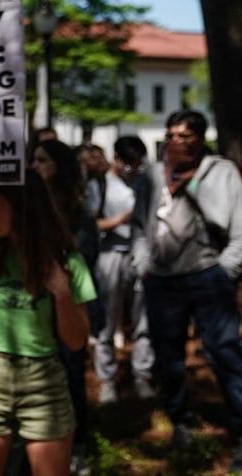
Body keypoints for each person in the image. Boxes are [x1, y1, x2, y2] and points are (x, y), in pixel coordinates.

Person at [0, 169, 95, 476]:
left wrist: (62, 292)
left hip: (44, 380)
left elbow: (77, 341)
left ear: (22, 206)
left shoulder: (65, 259)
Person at [131, 110, 242, 470]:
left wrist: (225, 270)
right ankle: (180, 421)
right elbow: (139, 226)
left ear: (199, 138)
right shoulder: (152, 175)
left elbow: (238, 226)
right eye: (171, 135)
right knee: (168, 356)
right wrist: (143, 266)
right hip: (162, 280)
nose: (176, 142)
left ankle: (240, 429)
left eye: (184, 136)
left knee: (224, 352)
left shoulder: (221, 172)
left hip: (208, 274)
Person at [30, 139, 97, 475]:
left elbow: (82, 262)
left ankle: (77, 447)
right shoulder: (28, 208)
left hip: (65, 304)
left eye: (42, 160)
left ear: (60, 166)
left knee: (71, 374)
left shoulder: (78, 212)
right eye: (34, 160)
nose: (35, 166)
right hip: (32, 312)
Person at [93, 136, 155, 404]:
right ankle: (107, 380)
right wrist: (122, 219)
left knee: (144, 318)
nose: (132, 170)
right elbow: (93, 223)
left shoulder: (145, 182)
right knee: (107, 320)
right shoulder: (101, 184)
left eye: (137, 164)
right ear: (116, 158)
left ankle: (142, 374)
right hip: (111, 253)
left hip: (142, 253)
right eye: (128, 164)